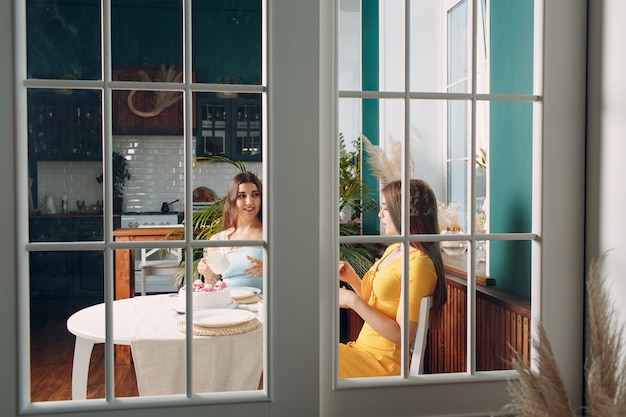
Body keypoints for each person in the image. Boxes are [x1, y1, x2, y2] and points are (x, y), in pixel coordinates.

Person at [338, 179, 447, 378]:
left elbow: (403, 336)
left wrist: (352, 301)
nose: (380, 214)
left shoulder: (420, 264)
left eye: (386, 209)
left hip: (383, 363)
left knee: (303, 359)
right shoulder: (394, 250)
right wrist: (352, 279)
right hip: (363, 351)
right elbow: (377, 304)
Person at [197, 172, 264, 291]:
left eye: (255, 194)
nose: (249, 202)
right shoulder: (217, 241)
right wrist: (207, 275)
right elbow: (213, 288)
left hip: (264, 306)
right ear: (232, 200)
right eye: (242, 196)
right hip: (231, 306)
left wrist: (273, 271)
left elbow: (295, 273)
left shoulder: (272, 235)